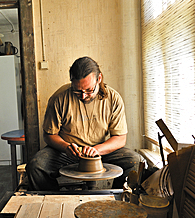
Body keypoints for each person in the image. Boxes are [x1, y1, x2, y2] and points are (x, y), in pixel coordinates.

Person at [26, 56, 142, 191]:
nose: (83, 96)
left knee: (135, 162)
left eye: (89, 90)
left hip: (101, 150)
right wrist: (66, 147)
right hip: (68, 152)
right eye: (77, 91)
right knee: (35, 166)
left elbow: (120, 138)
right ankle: (54, 201)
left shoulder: (113, 98)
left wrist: (97, 149)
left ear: (99, 79)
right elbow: (49, 135)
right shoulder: (59, 98)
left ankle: (116, 201)